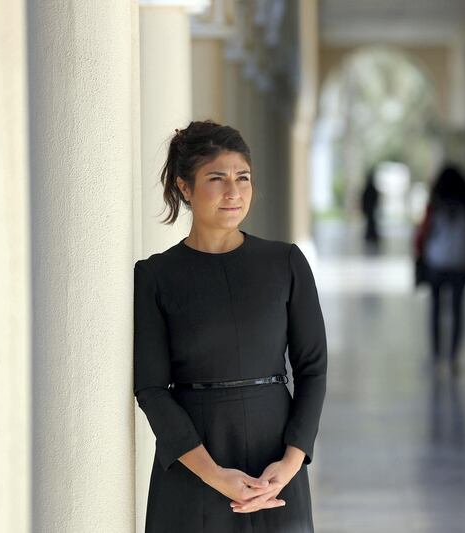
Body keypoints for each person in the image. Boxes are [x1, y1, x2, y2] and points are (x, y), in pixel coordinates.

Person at [133, 120, 328, 532]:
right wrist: (213, 474)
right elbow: (150, 387)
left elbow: (312, 368)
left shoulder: (286, 263)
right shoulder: (156, 276)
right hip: (193, 460)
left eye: (243, 178)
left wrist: (291, 461)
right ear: (184, 188)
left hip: (275, 461)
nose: (234, 191)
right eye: (216, 178)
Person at [413, 164, 465, 375]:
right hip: (461, 263)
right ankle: (453, 357)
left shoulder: (435, 205)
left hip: (437, 263)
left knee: (436, 309)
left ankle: (436, 356)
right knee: (457, 309)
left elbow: (423, 234)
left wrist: (420, 254)